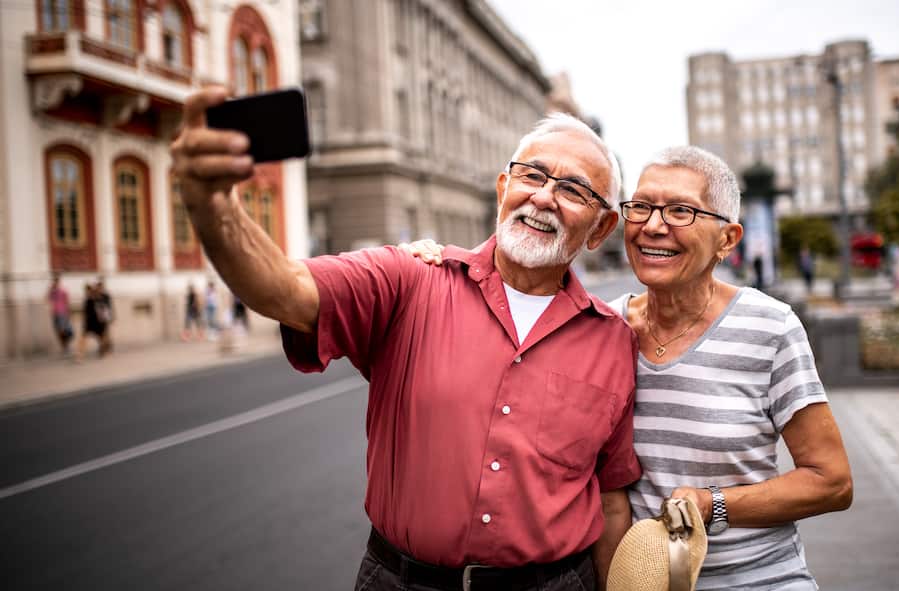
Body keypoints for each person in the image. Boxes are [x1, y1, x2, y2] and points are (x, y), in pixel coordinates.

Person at [171, 86, 641, 591]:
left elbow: (611, 500)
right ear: (504, 187)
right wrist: (211, 204)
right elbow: (282, 289)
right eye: (532, 175)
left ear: (601, 228)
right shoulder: (411, 277)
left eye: (573, 190)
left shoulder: (612, 340)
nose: (543, 196)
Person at [405, 146, 853, 590]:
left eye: (680, 211)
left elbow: (830, 481)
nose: (653, 227)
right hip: (640, 582)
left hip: (759, 581)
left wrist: (713, 504)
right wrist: (433, 266)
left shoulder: (769, 327)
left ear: (728, 239)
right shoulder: (602, 330)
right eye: (641, 208)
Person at [48, 274, 73, 355]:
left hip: (63, 313)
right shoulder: (52, 291)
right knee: (58, 330)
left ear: (58, 282)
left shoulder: (63, 291)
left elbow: (67, 301)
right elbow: (48, 299)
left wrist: (68, 312)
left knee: (64, 330)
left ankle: (66, 345)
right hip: (55, 313)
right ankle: (64, 347)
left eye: (56, 281)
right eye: (54, 281)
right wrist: (50, 290)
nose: (55, 283)